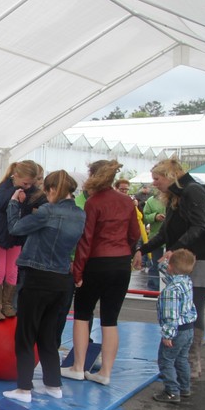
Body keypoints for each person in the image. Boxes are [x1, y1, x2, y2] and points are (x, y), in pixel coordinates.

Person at [134, 158, 205, 379]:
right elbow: (165, 232)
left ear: (170, 176)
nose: (154, 183)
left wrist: (173, 249)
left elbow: (199, 226)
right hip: (188, 257)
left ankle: (191, 362)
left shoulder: (192, 191)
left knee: (192, 309)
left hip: (202, 258)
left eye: (157, 178)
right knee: (185, 308)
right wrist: (142, 249)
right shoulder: (176, 196)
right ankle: (183, 362)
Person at [0, 170, 86, 403]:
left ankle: (24, 389)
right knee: (48, 334)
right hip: (62, 279)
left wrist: (14, 204)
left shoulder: (48, 211)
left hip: (37, 277)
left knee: (26, 334)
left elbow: (15, 228)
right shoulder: (80, 214)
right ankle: (53, 384)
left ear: (52, 190)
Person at [63, 160, 139, 386]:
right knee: (110, 319)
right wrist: (124, 249)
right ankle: (105, 372)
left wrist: (78, 272)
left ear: (93, 175)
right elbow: (134, 234)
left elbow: (86, 241)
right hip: (121, 263)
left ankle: (78, 367)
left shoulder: (93, 203)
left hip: (97, 262)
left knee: (82, 314)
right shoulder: (127, 201)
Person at [0, 161, 42, 321]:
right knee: (0, 269)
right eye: (25, 183)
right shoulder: (5, 185)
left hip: (16, 232)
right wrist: (15, 192)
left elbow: (39, 201)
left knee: (13, 269)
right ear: (16, 176)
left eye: (30, 184)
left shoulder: (30, 189)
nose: (27, 186)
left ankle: (7, 304)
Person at [153, 249, 198, 404]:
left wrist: (168, 335)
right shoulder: (186, 281)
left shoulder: (171, 290)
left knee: (166, 360)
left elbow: (171, 315)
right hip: (189, 328)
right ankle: (185, 388)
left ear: (171, 267)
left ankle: (172, 391)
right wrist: (166, 261)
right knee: (182, 359)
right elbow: (166, 269)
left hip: (177, 330)